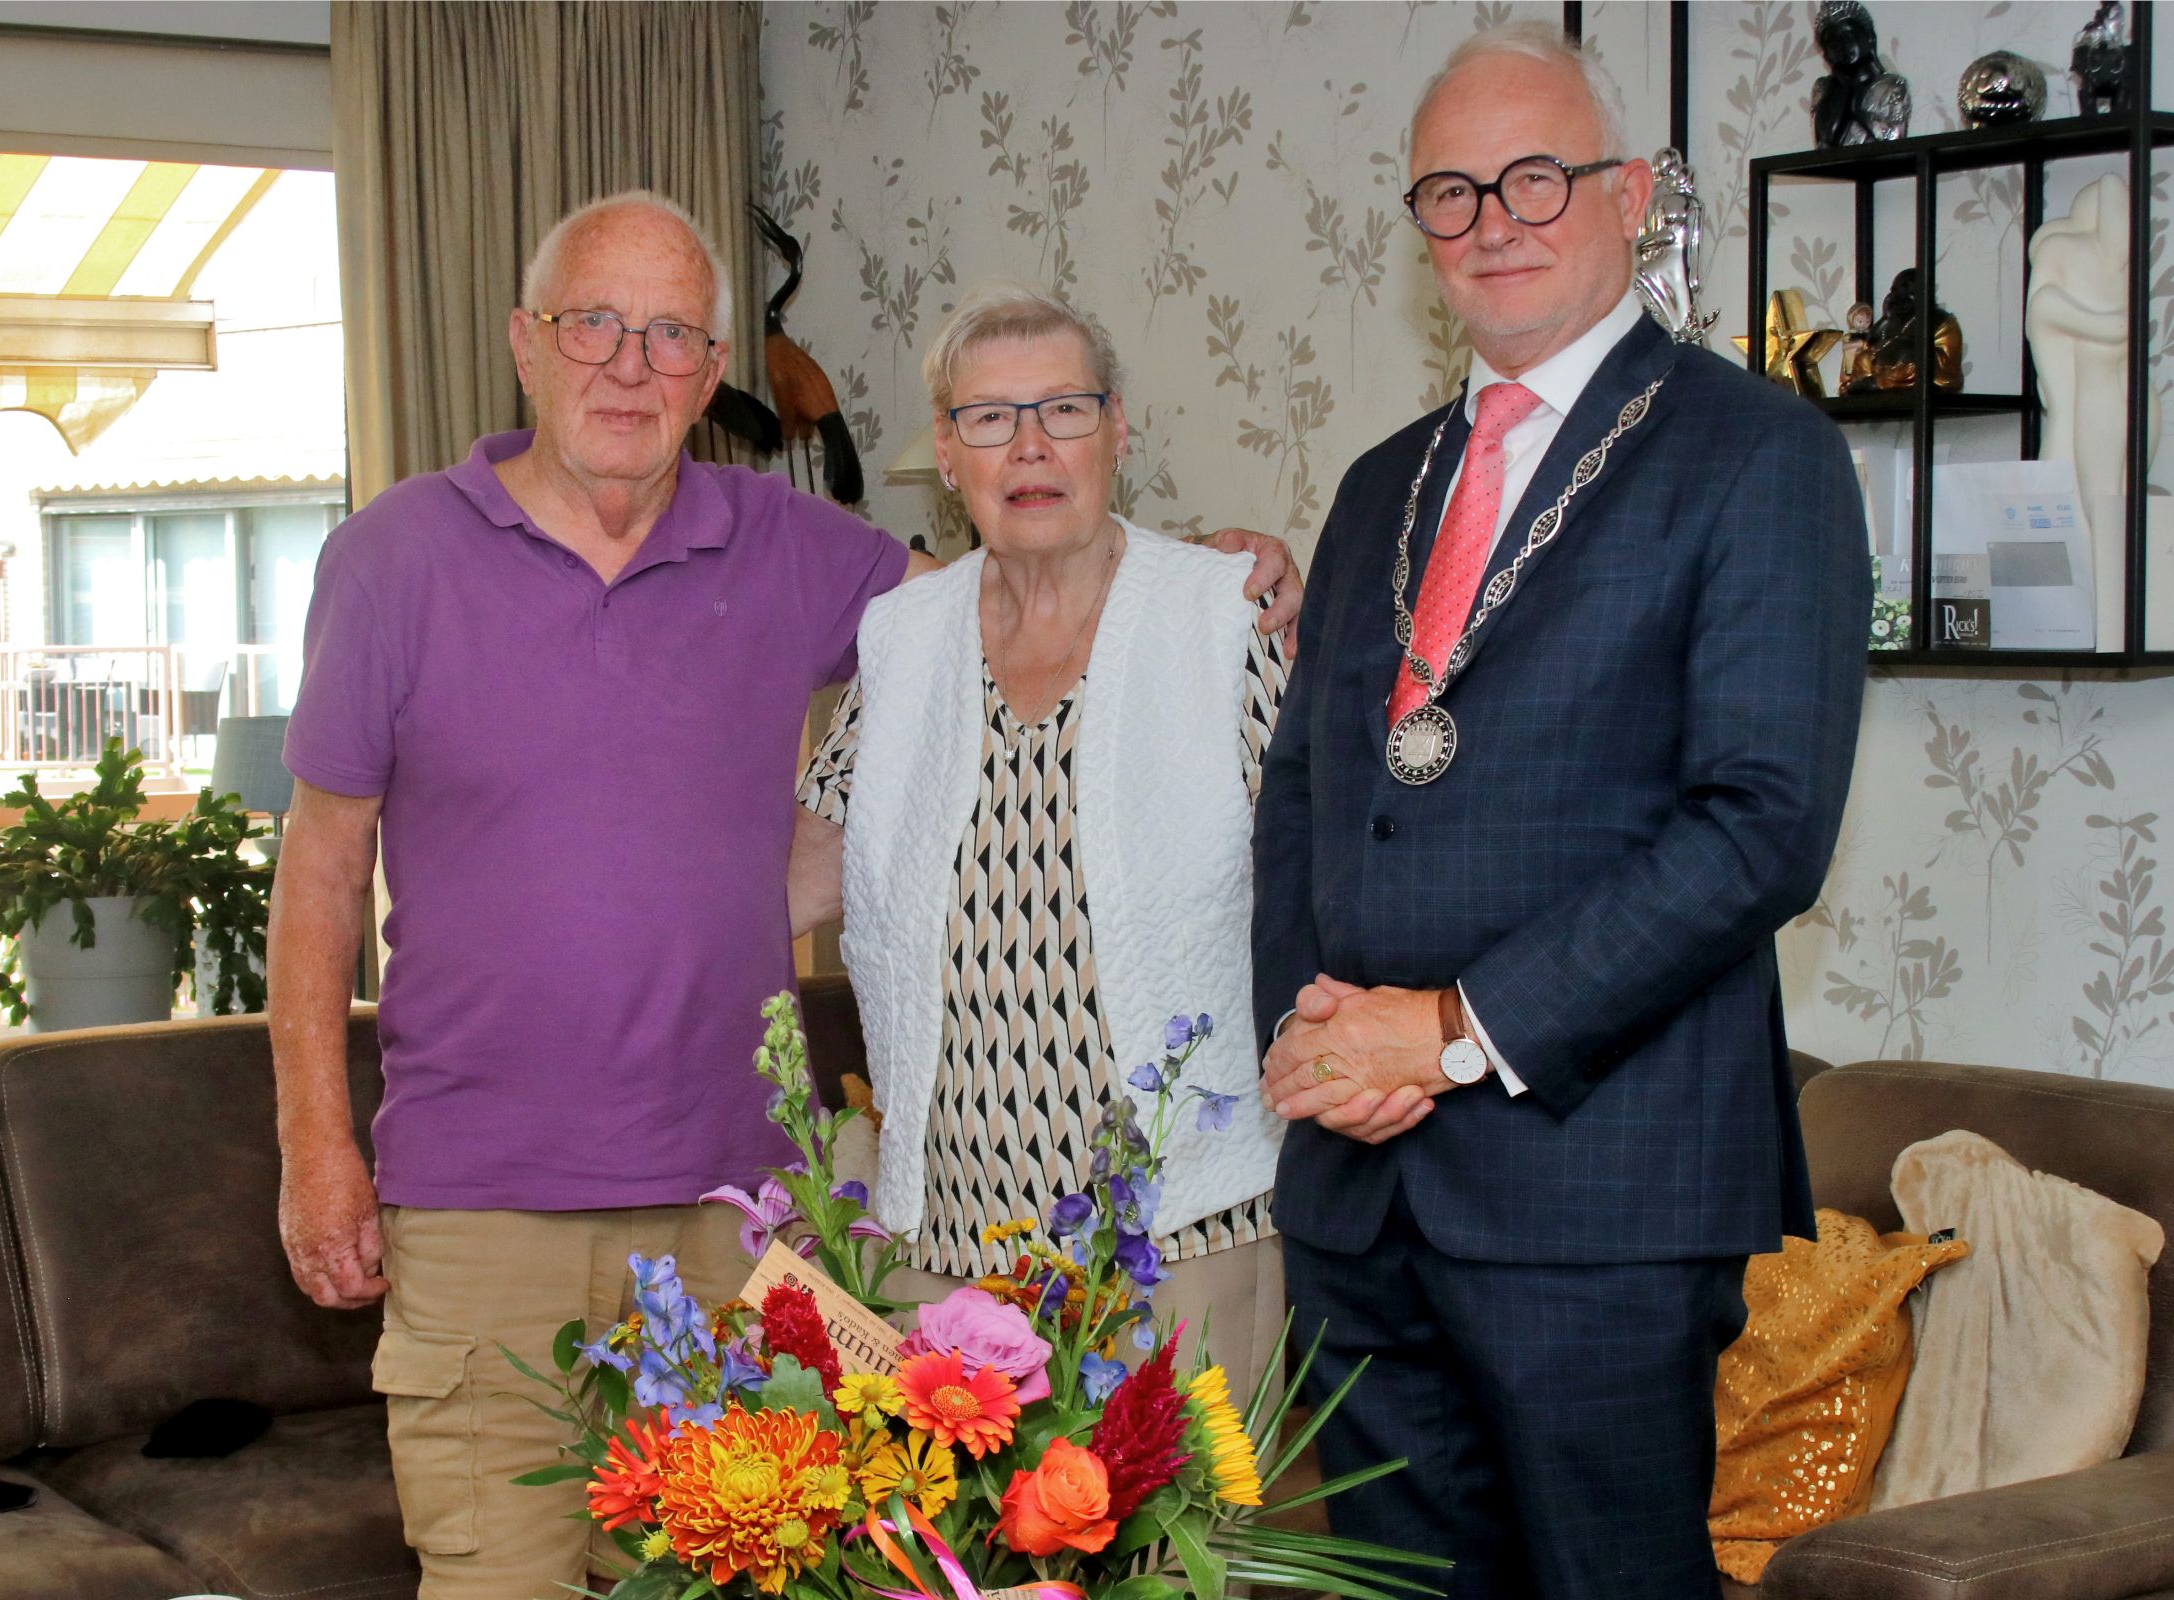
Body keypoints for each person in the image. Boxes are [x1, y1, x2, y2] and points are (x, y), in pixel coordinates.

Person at [270, 192, 1302, 1600]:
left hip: (741, 1218)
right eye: (593, 325)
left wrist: (1223, 573)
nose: (628, 365)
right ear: (525, 342)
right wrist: (317, 1149)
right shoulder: (393, 558)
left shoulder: (804, 552)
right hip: (479, 1206)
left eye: (670, 336)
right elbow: (321, 866)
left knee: (764, 1581)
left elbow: (1028, 585)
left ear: (711, 374)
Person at [1250, 27, 1868, 1600]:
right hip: (1356, 1195)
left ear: (1630, 195)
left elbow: (1762, 826)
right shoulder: (1381, 485)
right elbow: (1306, 791)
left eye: (1535, 178)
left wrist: (1451, 1033)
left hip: (1602, 1194)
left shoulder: (1757, 454)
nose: (1493, 223)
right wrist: (1315, 1043)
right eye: (1449, 194)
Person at [788, 285, 1289, 1397]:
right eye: (987, 418)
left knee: (1179, 1514)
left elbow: (1330, 884)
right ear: (947, 455)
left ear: (1117, 431)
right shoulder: (902, 639)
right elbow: (804, 875)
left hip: (1182, 1233)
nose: (1029, 446)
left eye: (1064, 409)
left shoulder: (1222, 616)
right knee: (944, 1522)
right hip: (945, 1236)